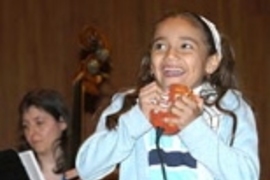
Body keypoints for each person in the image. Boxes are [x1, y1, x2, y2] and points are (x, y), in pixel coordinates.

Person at [75, 11, 260, 180]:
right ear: (150, 62)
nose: (170, 55)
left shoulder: (229, 105)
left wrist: (194, 128)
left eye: (185, 46)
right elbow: (86, 168)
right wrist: (136, 119)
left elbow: (246, 176)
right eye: (160, 46)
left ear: (210, 63)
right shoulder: (130, 104)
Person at [17, 89, 79, 180]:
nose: (31, 132)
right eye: (26, 126)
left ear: (62, 123)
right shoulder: (15, 171)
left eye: (39, 123)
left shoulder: (83, 169)